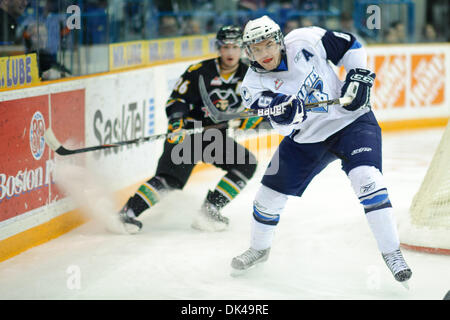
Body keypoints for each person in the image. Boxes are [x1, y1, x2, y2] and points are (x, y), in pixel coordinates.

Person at [230, 16, 412, 285]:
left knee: (367, 178)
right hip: (307, 138)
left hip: (350, 121)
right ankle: (259, 249)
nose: (264, 54)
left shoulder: (305, 40)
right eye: (256, 49)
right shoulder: (253, 85)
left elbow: (351, 45)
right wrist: (288, 114)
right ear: (248, 52)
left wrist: (357, 78)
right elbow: (281, 123)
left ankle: (392, 253)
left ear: (279, 40)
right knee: (266, 199)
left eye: (268, 45)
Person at [113, 25, 264, 234]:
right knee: (170, 181)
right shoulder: (199, 71)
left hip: (214, 138)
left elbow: (258, 105)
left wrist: (251, 120)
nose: (230, 52)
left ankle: (209, 210)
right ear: (219, 48)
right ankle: (127, 213)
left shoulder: (250, 75)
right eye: (226, 46)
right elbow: (177, 99)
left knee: (246, 164)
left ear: (243, 49)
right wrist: (176, 121)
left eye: (235, 47)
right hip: (188, 135)